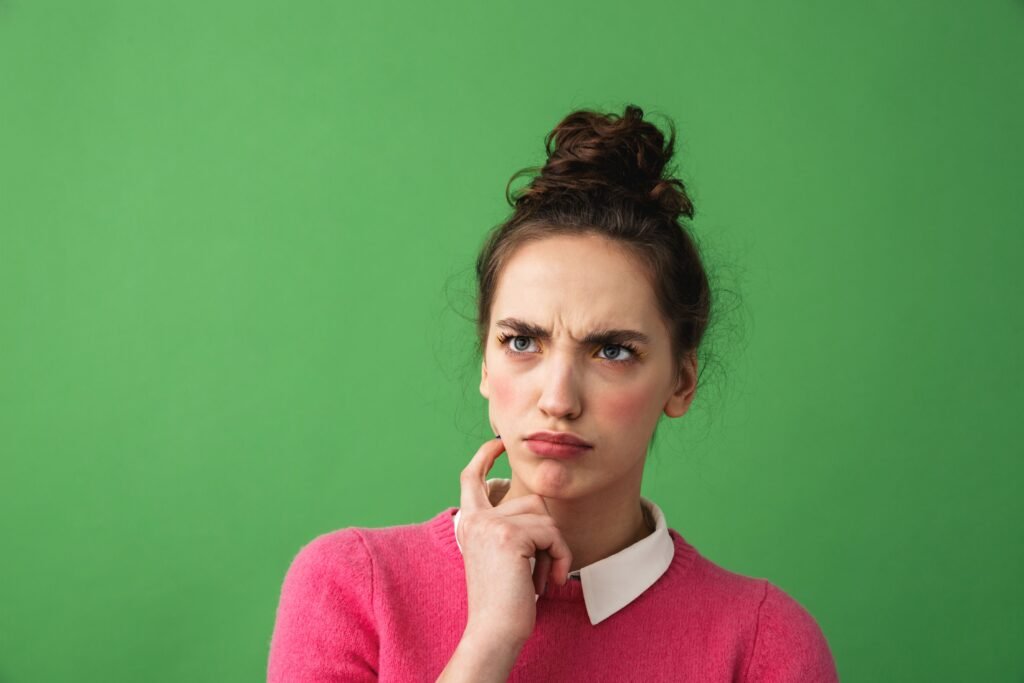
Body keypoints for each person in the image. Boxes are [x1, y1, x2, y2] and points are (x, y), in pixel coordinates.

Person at [266, 104, 840, 682]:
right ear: (485, 364)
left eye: (612, 351)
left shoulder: (765, 642)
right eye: (521, 342)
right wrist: (490, 635)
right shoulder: (352, 585)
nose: (558, 400)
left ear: (681, 382)